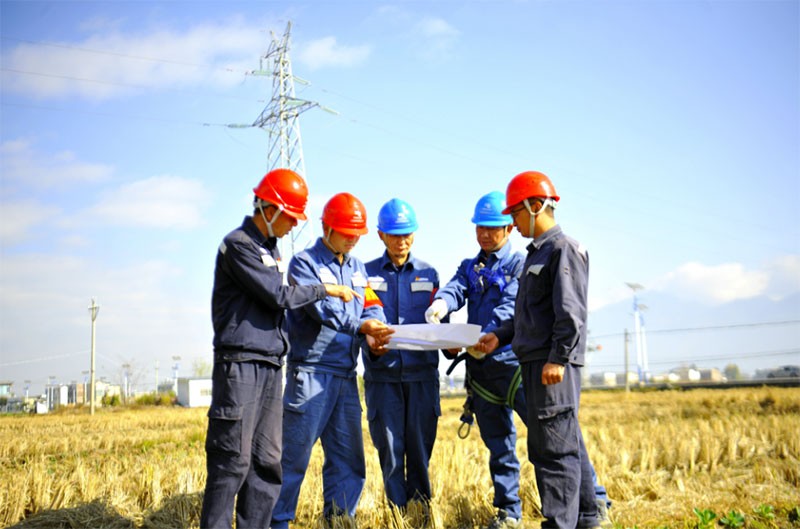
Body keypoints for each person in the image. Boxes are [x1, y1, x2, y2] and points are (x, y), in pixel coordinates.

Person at [201, 169, 362, 529]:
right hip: (241, 364)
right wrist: (325, 289)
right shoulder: (238, 245)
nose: (293, 225)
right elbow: (278, 295)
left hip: (272, 363)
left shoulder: (270, 250)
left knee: (266, 462)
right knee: (232, 461)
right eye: (290, 216)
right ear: (270, 209)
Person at [475, 171, 602, 529]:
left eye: (515, 213)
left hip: (550, 366)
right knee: (561, 442)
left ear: (535, 206)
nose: (513, 223)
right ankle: (587, 518)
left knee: (554, 451)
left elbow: (570, 312)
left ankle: (560, 523)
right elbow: (528, 316)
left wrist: (558, 358)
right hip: (533, 362)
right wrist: (499, 336)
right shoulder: (538, 253)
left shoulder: (562, 250)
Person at [270, 192, 395, 529]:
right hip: (310, 373)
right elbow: (321, 309)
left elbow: (371, 305)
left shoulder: (357, 267)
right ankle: (276, 522)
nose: (353, 240)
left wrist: (375, 330)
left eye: (358, 234)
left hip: (345, 375)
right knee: (293, 457)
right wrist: (360, 326)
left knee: (347, 458)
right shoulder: (304, 264)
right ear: (326, 228)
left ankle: (340, 521)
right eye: (347, 233)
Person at [424, 191, 528, 529]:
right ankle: (509, 512)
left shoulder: (519, 265)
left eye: (492, 228)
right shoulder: (471, 267)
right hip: (482, 372)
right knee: (499, 446)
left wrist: (482, 336)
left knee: (550, 439)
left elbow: (509, 308)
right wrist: (441, 304)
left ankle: (591, 501)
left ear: (509, 228)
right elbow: (456, 288)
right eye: (480, 227)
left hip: (514, 367)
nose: (484, 234)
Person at [363, 198, 442, 519]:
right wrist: (371, 345)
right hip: (382, 377)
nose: (401, 241)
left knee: (420, 449)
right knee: (391, 451)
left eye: (407, 234)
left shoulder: (429, 274)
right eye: (394, 235)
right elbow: (362, 320)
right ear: (381, 235)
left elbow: (440, 322)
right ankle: (397, 514)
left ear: (415, 233)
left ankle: (421, 513)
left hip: (422, 377)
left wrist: (451, 342)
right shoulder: (364, 274)